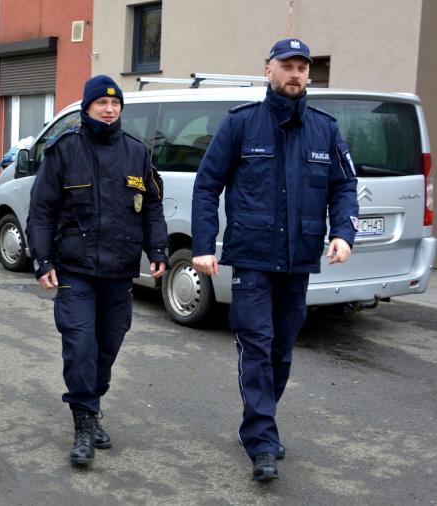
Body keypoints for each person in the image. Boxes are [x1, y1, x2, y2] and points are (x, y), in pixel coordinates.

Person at [191, 38, 359, 482]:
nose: (296, 74)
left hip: (299, 259)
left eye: (303, 67)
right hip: (252, 259)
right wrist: (204, 244)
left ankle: (259, 422)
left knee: (282, 351)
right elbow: (208, 184)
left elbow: (343, 187)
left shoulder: (325, 128)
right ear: (268, 69)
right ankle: (262, 437)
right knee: (258, 345)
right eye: (287, 65)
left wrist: (343, 232)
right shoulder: (241, 125)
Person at [26, 75, 169, 467]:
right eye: (101, 103)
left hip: (120, 271)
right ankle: (84, 423)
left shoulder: (136, 153)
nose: (109, 109)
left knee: (109, 343)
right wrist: (43, 260)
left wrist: (157, 249)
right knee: (81, 345)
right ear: (87, 107)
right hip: (76, 269)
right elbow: (41, 210)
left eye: (115, 104)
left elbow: (153, 205)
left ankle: (90, 404)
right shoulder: (65, 150)